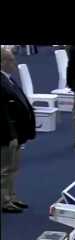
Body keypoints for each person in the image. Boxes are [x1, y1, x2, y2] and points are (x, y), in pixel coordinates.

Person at [1, 48, 36, 213]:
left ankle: (11, 196)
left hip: (17, 133)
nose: (14, 64)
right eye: (11, 60)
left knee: (13, 168)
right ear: (3, 63)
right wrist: (12, 135)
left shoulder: (8, 79)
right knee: (6, 169)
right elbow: (3, 114)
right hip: (7, 135)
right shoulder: (1, 82)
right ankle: (4, 201)